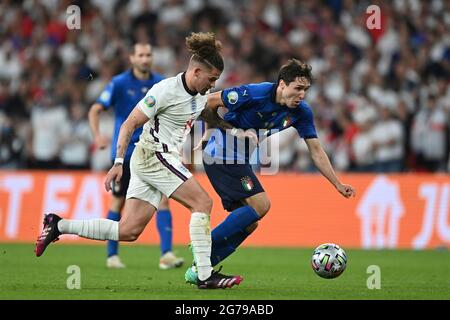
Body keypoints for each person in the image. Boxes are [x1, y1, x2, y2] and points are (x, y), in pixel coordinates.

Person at [35, 32, 250, 289]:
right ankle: (204, 275)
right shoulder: (164, 90)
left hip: (154, 158)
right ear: (195, 72)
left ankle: (58, 225)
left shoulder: (200, 94)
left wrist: (232, 128)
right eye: (211, 79)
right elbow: (129, 123)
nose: (212, 85)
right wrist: (117, 163)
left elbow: (204, 115)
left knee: (128, 230)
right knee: (202, 202)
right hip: (153, 155)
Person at [185, 59, 356, 284]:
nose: (302, 95)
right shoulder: (253, 94)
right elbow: (207, 103)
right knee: (261, 205)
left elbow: (316, 151)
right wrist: (227, 129)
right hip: (220, 154)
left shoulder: (302, 112)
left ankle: (199, 269)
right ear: (282, 85)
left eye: (305, 89)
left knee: (250, 222)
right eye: (298, 88)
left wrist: (337, 183)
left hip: (239, 160)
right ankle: (202, 247)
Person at [88, 42, 183, 269]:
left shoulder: (160, 83)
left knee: (164, 200)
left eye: (148, 54)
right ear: (132, 58)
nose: (145, 59)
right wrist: (97, 135)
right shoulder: (119, 83)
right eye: (140, 55)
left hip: (151, 151)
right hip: (125, 153)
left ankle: (166, 255)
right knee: (118, 202)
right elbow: (95, 109)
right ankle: (112, 255)